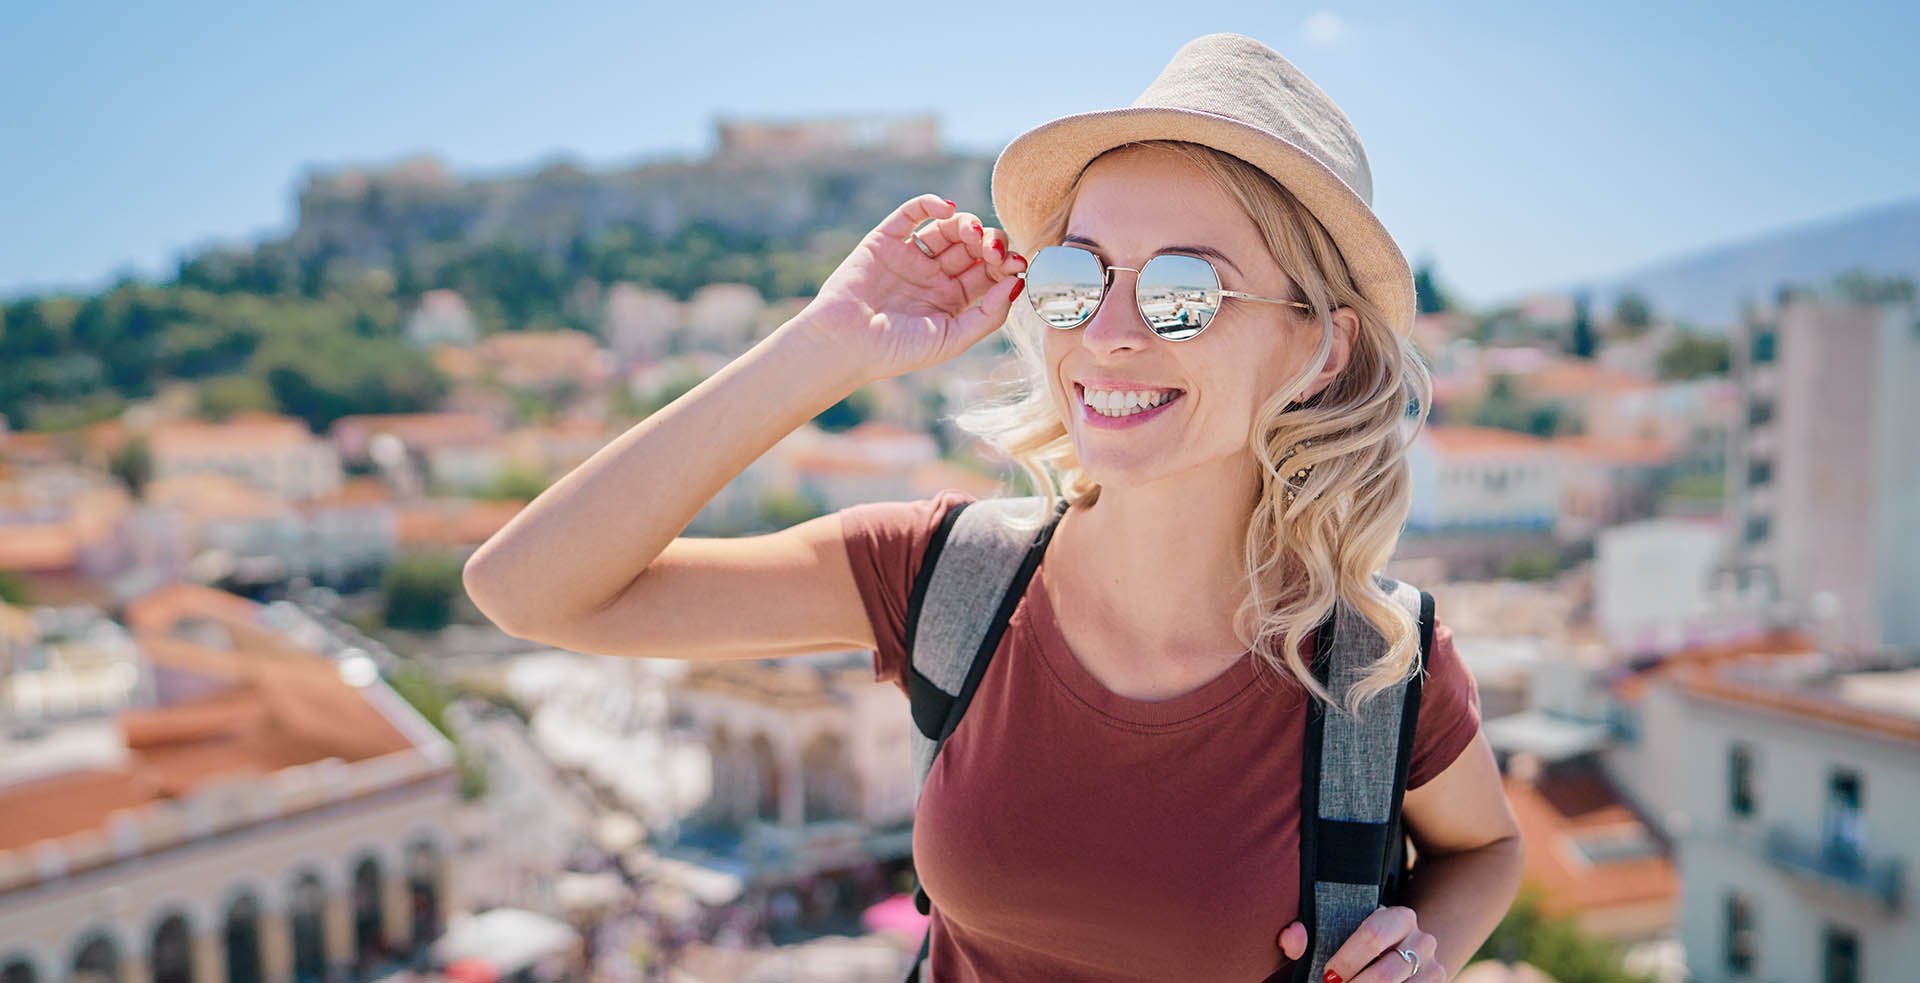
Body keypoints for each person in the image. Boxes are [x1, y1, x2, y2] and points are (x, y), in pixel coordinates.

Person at [465, 31, 1522, 983]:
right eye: (1076, 274)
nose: (1107, 330)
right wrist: (827, 343)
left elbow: (1488, 847)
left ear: (1318, 346)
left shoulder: (1378, 666)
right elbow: (526, 590)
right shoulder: (941, 575)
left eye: (1182, 292)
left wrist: (1423, 950)